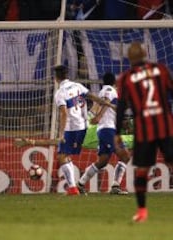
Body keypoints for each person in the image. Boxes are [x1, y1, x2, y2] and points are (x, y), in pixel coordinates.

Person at [22, 65, 115, 195]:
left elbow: (64, 113)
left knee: (62, 156)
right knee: (65, 156)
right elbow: (94, 98)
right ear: (67, 75)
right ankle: (75, 186)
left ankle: (73, 188)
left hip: (72, 128)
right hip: (84, 126)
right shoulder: (78, 86)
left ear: (56, 78)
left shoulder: (60, 93)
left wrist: (61, 133)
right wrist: (109, 104)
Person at [115, 42, 173, 222]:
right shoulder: (161, 69)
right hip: (166, 126)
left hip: (144, 130)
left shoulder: (126, 78)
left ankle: (141, 212)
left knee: (142, 171)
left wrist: (117, 134)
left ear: (129, 59)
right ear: (145, 54)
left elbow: (121, 108)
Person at [76, 72, 131, 195]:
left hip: (105, 129)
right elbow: (106, 101)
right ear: (114, 82)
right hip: (107, 129)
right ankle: (115, 186)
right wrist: (99, 116)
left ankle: (80, 184)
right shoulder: (110, 90)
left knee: (103, 160)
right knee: (125, 156)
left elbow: (101, 105)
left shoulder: (103, 90)